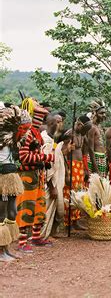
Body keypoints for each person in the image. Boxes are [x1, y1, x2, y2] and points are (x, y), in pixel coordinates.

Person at [16, 98, 54, 252]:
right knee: (26, 207)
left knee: (39, 206)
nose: (42, 119)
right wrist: (47, 158)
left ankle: (36, 237)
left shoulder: (35, 132)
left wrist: (42, 161)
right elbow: (23, 156)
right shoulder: (27, 133)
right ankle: (22, 242)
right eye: (40, 116)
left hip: (37, 174)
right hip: (27, 175)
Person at [0, 104, 31, 261]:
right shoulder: (2, 139)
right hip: (2, 179)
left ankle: (7, 248)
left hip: (11, 177)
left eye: (27, 129)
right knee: (2, 213)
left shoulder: (14, 142)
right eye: (23, 129)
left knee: (12, 213)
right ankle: (1, 251)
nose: (25, 132)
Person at [40, 113, 70, 239]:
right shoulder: (45, 140)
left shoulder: (53, 140)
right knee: (46, 208)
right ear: (51, 124)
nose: (60, 124)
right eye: (58, 122)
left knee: (58, 208)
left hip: (57, 179)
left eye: (61, 121)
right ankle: (41, 235)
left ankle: (51, 232)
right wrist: (51, 186)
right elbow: (46, 166)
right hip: (48, 182)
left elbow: (58, 159)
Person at [63, 115, 92, 229]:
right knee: (69, 193)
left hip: (79, 167)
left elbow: (85, 154)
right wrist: (66, 172)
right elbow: (63, 153)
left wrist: (86, 169)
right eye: (85, 129)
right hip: (71, 165)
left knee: (79, 193)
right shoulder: (70, 134)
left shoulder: (82, 135)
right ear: (79, 125)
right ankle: (67, 222)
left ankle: (76, 221)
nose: (85, 132)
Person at [87, 100, 108, 178]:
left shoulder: (99, 126)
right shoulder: (92, 127)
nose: (104, 115)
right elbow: (90, 148)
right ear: (95, 113)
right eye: (101, 113)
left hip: (102, 158)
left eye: (104, 113)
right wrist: (95, 166)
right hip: (95, 158)